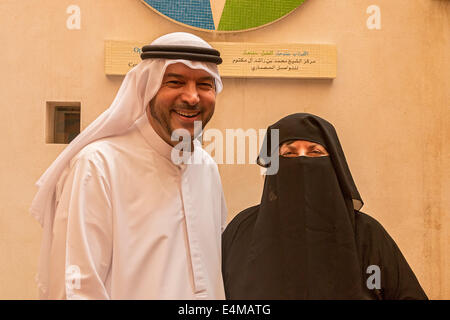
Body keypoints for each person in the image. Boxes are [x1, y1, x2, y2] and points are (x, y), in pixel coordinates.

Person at [30, 32, 227, 299]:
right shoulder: (98, 165)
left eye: (205, 84)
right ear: (148, 87)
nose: (192, 97)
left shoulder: (207, 167)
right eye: (175, 82)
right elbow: (76, 288)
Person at [222, 113, 428, 300]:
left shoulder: (367, 235)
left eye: (315, 153)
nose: (302, 161)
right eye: (289, 154)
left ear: (334, 165)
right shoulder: (243, 230)